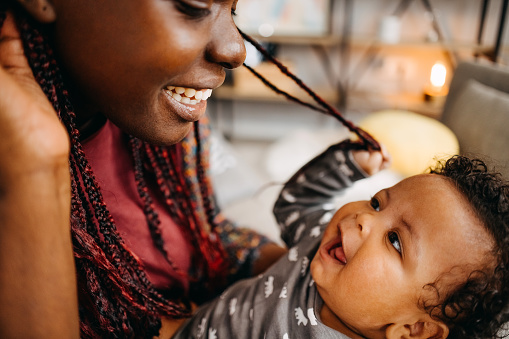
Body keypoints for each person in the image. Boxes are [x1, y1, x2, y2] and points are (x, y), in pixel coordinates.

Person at [0, 1, 287, 338]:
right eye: (193, 4)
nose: (235, 49)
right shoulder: (21, 158)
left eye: (233, 11)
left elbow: (205, 238)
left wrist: (310, 274)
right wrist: (34, 172)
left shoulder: (158, 114)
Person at [171, 139, 509, 339]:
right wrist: (346, 164)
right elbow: (294, 204)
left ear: (413, 330)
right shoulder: (323, 243)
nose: (363, 219)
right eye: (377, 202)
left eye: (394, 241)